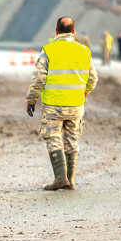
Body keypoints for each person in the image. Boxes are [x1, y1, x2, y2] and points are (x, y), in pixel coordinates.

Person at [26, 16, 97, 191]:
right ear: (73, 31)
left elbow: (38, 79)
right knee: (72, 140)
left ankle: (60, 179)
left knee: (53, 139)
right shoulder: (84, 50)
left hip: (53, 105)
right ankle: (70, 180)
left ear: (57, 31)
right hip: (76, 105)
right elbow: (93, 78)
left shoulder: (49, 50)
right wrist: (84, 93)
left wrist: (31, 99)